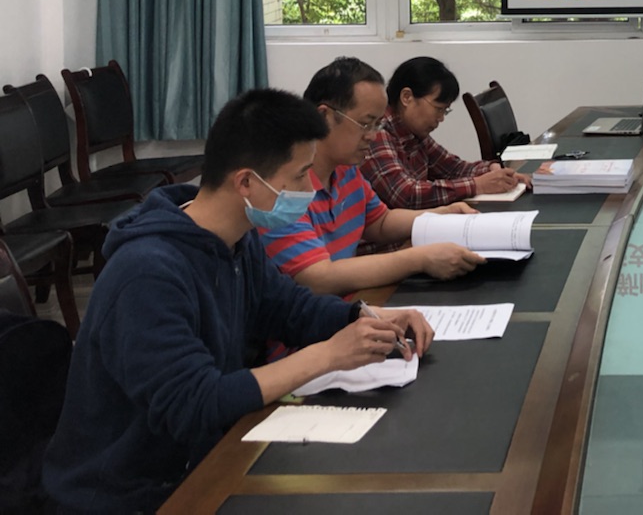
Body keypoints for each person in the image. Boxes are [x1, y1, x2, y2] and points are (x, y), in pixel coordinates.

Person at [43, 89, 434, 513]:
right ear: (246, 182)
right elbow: (195, 403)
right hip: (129, 495)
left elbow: (289, 308)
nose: (310, 188)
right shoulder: (146, 274)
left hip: (199, 459)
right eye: (300, 176)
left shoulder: (235, 239)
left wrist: (365, 316)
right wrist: (327, 355)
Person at [258, 57, 487, 296]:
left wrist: (442, 214)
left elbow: (380, 222)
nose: (373, 136)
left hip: (348, 301)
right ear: (324, 117)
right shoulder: (283, 186)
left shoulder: (345, 169)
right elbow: (318, 277)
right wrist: (419, 259)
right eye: (366, 124)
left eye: (377, 125)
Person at [362, 56, 526, 209]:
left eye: (445, 111)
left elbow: (452, 169)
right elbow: (406, 195)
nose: (441, 118)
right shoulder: (378, 132)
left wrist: (492, 170)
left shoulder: (414, 132)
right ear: (407, 97)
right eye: (438, 109)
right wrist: (478, 185)